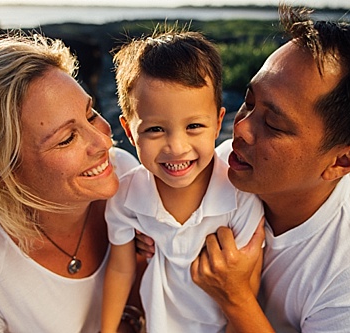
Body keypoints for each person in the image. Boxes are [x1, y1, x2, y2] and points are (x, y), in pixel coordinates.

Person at [189, 6, 350, 332]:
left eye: (274, 125)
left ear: (341, 161)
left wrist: (235, 298)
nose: (241, 130)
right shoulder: (226, 164)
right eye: (249, 102)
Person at [0, 34, 143, 332]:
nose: (104, 141)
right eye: (67, 139)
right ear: (2, 171)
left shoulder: (127, 177)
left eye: (90, 115)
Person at [98, 31, 264, 333]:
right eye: (155, 130)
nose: (176, 147)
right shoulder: (126, 194)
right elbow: (121, 269)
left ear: (217, 123)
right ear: (130, 130)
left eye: (194, 126)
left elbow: (246, 288)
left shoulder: (240, 195)